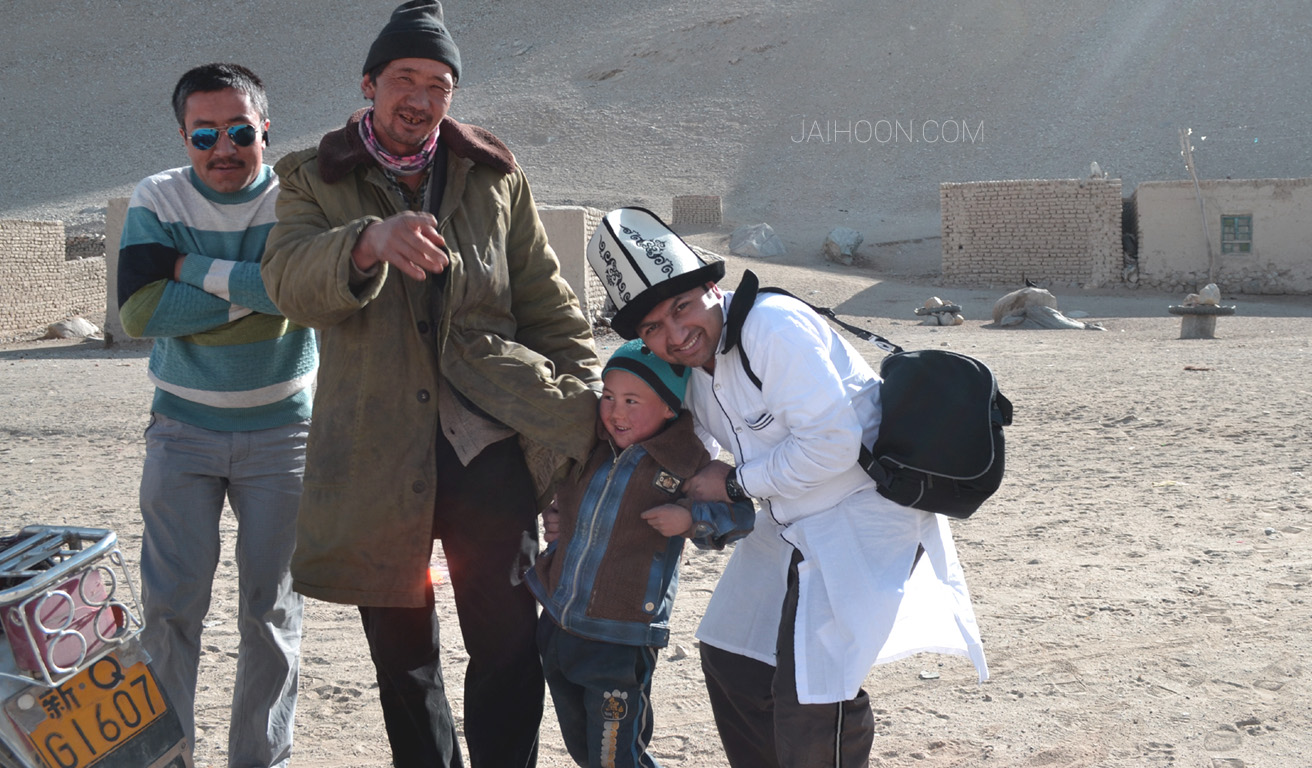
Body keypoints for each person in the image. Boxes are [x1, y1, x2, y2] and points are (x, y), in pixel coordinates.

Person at [260, 2, 601, 766]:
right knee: (404, 660)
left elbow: (548, 303)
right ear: (370, 84)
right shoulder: (317, 178)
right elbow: (287, 279)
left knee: (509, 642)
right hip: (378, 455)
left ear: (453, 97)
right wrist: (367, 243)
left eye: (438, 84)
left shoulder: (493, 177)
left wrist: (579, 411)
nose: (420, 97)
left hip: (488, 452)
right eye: (404, 79)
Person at [586, 207, 988, 768]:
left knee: (816, 698)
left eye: (681, 308)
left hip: (858, 519)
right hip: (789, 520)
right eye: (653, 327)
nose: (675, 336)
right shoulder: (695, 369)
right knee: (732, 656)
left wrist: (735, 481)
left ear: (710, 286)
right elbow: (680, 444)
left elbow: (833, 444)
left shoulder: (773, 328)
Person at [117, 63, 316, 768]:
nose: (222, 149)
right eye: (205, 135)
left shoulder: (300, 199)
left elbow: (309, 294)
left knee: (273, 614)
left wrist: (187, 269)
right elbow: (140, 312)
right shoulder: (158, 196)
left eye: (238, 131)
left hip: (284, 437)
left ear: (265, 128)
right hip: (182, 434)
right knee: (170, 613)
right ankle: (168, 759)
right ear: (184, 136)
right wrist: (265, 288)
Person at [526, 339, 755, 768]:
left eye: (633, 401)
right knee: (584, 747)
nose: (616, 412)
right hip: (559, 624)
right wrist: (558, 513)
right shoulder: (589, 447)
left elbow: (742, 517)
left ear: (669, 407)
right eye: (609, 397)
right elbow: (559, 491)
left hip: (621, 637)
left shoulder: (685, 463)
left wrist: (689, 520)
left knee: (615, 755)